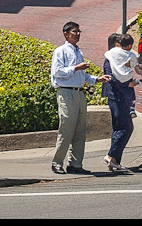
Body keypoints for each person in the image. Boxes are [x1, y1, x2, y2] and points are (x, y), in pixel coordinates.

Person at [50, 21, 110, 175]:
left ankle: (75, 164)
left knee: (80, 130)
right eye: (74, 31)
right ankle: (57, 163)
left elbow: (82, 75)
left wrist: (97, 79)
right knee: (67, 129)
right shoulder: (60, 51)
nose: (77, 34)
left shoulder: (78, 52)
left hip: (79, 92)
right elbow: (58, 72)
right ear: (66, 34)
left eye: (78, 32)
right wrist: (76, 67)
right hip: (66, 92)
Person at [102, 33, 139, 172]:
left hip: (121, 97)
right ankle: (111, 156)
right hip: (116, 97)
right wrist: (128, 85)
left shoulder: (119, 57)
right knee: (126, 127)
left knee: (119, 128)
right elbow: (110, 78)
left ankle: (115, 161)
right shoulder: (110, 60)